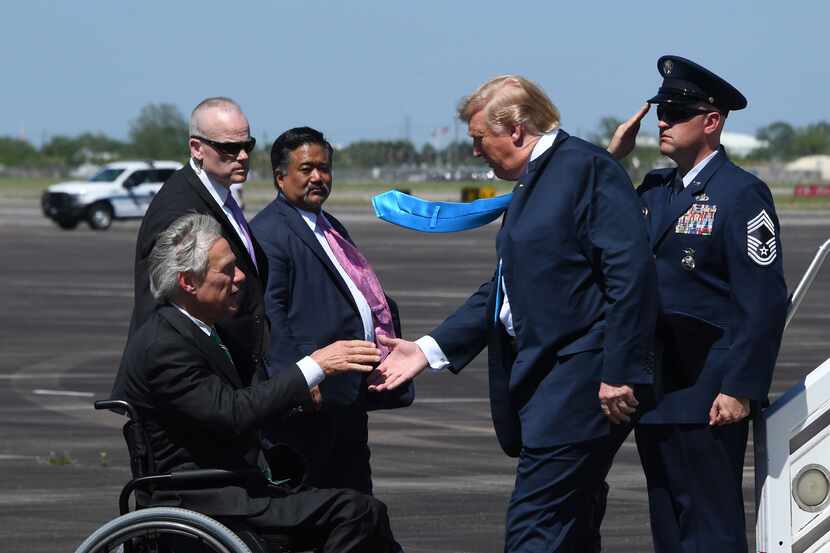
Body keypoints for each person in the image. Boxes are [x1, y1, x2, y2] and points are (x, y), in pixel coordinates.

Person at [370, 75, 658, 552]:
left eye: (480, 139)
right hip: (551, 383)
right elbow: (506, 290)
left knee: (534, 530)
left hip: (579, 385)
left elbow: (631, 276)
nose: (476, 153)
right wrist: (427, 349)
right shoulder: (538, 180)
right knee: (570, 529)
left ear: (517, 130)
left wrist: (621, 370)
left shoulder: (585, 169)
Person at [112, 213, 399, 553]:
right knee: (359, 513)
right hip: (207, 496)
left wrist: (300, 398)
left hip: (227, 483)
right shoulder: (166, 345)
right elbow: (231, 412)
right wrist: (314, 366)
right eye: (227, 270)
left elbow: (228, 402)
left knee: (352, 503)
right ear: (188, 282)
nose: (240, 278)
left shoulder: (196, 329)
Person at [607, 55, 788, 553]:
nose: (662, 120)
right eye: (661, 110)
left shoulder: (741, 193)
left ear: (711, 122)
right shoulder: (654, 189)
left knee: (710, 531)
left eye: (676, 112)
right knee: (668, 529)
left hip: (710, 394)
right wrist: (610, 160)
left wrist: (740, 388)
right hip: (657, 393)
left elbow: (764, 301)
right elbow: (593, 221)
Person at [250, 127, 413, 495]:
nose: (317, 178)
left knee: (355, 498)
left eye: (324, 169)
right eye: (306, 169)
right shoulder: (270, 231)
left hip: (346, 393)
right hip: (312, 399)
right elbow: (270, 313)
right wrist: (298, 379)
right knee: (321, 498)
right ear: (280, 176)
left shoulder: (328, 225)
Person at [127, 97, 267, 385]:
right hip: (197, 380)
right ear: (197, 148)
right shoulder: (179, 210)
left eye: (247, 146)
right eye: (229, 148)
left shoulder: (223, 196)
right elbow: (165, 302)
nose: (242, 156)